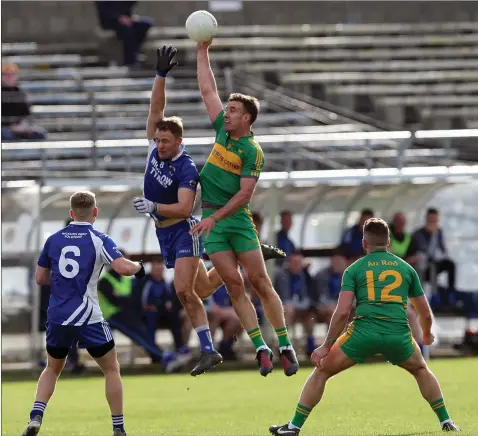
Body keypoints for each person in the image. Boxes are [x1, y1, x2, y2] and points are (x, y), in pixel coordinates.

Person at [132, 46, 286, 376]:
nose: (158, 144)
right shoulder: (153, 152)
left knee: (185, 291)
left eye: (164, 141)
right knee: (201, 290)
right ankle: (256, 254)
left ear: (179, 142)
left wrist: (154, 206)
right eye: (156, 140)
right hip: (165, 233)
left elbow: (187, 207)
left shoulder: (187, 169)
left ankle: (208, 349)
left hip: (185, 228)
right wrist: (160, 76)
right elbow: (156, 108)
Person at [269, 218, 460, 435]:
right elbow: (424, 312)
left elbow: (342, 312)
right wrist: (426, 334)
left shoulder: (354, 269)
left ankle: (293, 427)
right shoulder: (406, 269)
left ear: (363, 243)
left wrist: (326, 345)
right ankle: (446, 421)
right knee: (421, 370)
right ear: (388, 242)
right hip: (398, 335)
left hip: (362, 334)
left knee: (321, 372)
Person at [189, 39, 299, 377]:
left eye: (234, 110)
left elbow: (244, 196)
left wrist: (215, 219)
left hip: (234, 219)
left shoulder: (252, 150)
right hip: (212, 220)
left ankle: (285, 345)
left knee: (260, 282)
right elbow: (208, 90)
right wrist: (202, 50)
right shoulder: (222, 131)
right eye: (229, 110)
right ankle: (261, 348)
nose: (227, 113)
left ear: (247, 118)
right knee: (233, 285)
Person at [22, 191, 145, 436]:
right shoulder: (100, 239)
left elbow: (40, 278)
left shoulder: (54, 240)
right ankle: (118, 428)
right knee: (111, 369)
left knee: (52, 368)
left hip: (58, 315)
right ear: (95, 213)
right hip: (88, 316)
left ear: (71, 213)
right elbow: (123, 268)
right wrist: (140, 267)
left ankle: (36, 415)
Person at [97, 257, 188, 372]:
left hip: (127, 315)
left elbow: (134, 299)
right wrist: (125, 299)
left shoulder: (126, 279)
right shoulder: (104, 281)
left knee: (142, 333)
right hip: (111, 318)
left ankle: (163, 357)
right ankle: (164, 357)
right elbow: (115, 301)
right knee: (138, 335)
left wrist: (122, 298)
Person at [275, 251, 318, 356]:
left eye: (298, 263)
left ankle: (310, 344)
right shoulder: (281, 275)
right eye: (294, 263)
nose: (296, 266)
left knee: (310, 315)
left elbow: (308, 296)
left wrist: (306, 305)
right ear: (288, 262)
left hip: (300, 307)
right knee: (288, 310)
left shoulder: (304, 275)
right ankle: (284, 345)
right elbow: (284, 298)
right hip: (284, 307)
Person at [94, 1, 152, 68]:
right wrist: (118, 17)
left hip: (126, 17)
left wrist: (128, 17)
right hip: (111, 20)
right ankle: (130, 62)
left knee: (145, 24)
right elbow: (102, 7)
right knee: (128, 31)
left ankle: (135, 52)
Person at [413, 208, 456, 294]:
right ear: (426, 219)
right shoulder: (418, 234)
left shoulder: (439, 231)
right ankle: (433, 295)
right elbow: (427, 253)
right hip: (423, 266)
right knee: (432, 268)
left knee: (450, 264)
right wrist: (433, 236)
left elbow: (443, 250)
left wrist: (442, 257)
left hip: (435, 262)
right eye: (431, 220)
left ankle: (451, 292)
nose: (433, 223)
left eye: (435, 220)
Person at [2, 63, 47, 140]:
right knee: (6, 134)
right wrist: (10, 126)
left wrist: (25, 126)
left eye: (12, 75)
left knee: (39, 133)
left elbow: (27, 115)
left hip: (19, 127)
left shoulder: (21, 94)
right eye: (6, 75)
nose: (9, 77)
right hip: (4, 129)